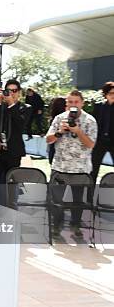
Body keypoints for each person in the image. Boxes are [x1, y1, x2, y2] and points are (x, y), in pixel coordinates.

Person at [46, 91, 97, 237]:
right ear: (66, 104)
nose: (73, 105)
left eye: (76, 102)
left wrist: (78, 131)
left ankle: (75, 226)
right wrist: (59, 132)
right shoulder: (59, 118)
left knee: (77, 201)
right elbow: (48, 139)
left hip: (80, 169)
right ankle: (57, 225)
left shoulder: (90, 121)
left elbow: (90, 144)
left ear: (82, 103)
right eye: (70, 102)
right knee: (56, 200)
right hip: (59, 167)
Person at [0, 79, 31, 184]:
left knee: (11, 183)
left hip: (14, 152)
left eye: (14, 91)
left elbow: (21, 125)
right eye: (8, 91)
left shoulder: (25, 107)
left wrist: (11, 104)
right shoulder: (1, 106)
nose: (11, 93)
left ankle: (10, 200)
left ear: (19, 92)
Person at [91, 82, 114, 182]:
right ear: (105, 94)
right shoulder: (99, 107)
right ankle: (89, 194)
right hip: (100, 141)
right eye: (110, 93)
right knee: (93, 168)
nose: (113, 95)